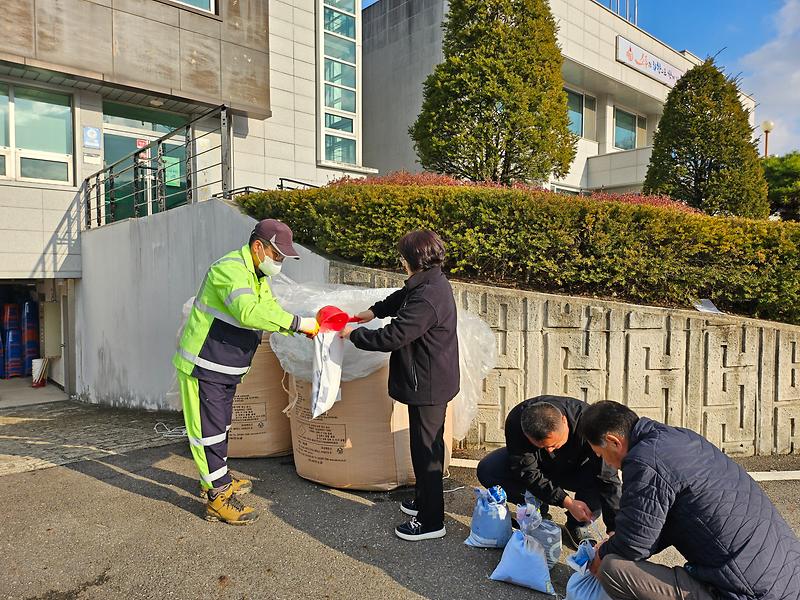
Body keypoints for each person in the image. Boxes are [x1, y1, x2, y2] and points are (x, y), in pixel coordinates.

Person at [173, 219, 319, 525]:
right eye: (277, 255)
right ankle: (217, 498)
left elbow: (270, 309)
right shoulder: (228, 269)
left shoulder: (257, 275)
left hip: (224, 366)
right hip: (204, 365)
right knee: (207, 432)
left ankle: (218, 478)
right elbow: (248, 312)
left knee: (221, 426)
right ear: (258, 247)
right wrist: (298, 324)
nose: (279, 262)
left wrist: (302, 327)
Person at [579, 401, 800, 600]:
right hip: (786, 575)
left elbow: (634, 545)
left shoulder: (644, 461)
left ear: (613, 441)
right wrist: (621, 538)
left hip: (747, 592)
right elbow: (652, 523)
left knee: (612, 568)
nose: (602, 460)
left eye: (599, 453)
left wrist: (603, 552)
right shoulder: (679, 437)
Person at [340, 229, 459, 541]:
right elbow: (402, 297)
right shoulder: (430, 281)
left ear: (412, 260)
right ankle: (423, 499)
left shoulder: (429, 296)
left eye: (403, 257)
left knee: (427, 450)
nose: (401, 262)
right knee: (424, 445)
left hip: (429, 383)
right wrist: (372, 312)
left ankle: (432, 521)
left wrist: (351, 335)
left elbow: (392, 337)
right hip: (430, 377)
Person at [477, 395, 621, 547]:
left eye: (554, 444)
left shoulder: (589, 423)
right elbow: (527, 472)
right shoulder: (517, 421)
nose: (550, 450)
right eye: (543, 447)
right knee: (488, 470)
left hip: (577, 470)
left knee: (600, 483)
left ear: (564, 421)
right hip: (539, 466)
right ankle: (537, 508)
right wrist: (568, 502)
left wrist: (614, 530)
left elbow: (608, 479)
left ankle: (576, 525)